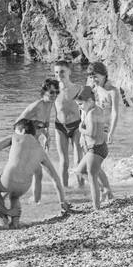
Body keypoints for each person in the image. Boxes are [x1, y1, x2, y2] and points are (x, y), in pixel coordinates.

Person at [0, 119, 70, 229]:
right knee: (14, 197)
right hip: (24, 186)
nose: (14, 132)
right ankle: (15, 222)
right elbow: (55, 178)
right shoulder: (41, 150)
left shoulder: (15, 137)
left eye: (15, 130)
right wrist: (62, 201)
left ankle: (3, 218)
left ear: (22, 130)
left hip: (8, 179)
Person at [17, 79, 60, 204]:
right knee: (32, 174)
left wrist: (47, 135)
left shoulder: (50, 104)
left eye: (57, 92)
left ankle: (36, 202)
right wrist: (25, 142)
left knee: (37, 174)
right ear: (44, 92)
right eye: (51, 92)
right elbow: (18, 124)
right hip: (27, 143)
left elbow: (44, 123)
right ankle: (32, 201)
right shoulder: (36, 105)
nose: (55, 95)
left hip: (35, 143)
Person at [75, 86, 115, 210]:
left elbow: (92, 133)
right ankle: (105, 190)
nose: (79, 107)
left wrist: (80, 129)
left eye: (81, 104)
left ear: (89, 101)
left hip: (95, 149)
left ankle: (96, 207)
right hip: (99, 147)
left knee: (92, 177)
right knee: (80, 171)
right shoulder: (97, 109)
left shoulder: (92, 113)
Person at [52, 59, 84, 189]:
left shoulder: (79, 88)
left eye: (62, 71)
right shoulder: (53, 90)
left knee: (78, 160)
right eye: (56, 72)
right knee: (64, 161)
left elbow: (88, 109)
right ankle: (64, 190)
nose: (59, 75)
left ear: (69, 71)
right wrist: (43, 132)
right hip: (60, 127)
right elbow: (45, 110)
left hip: (77, 126)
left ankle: (82, 188)